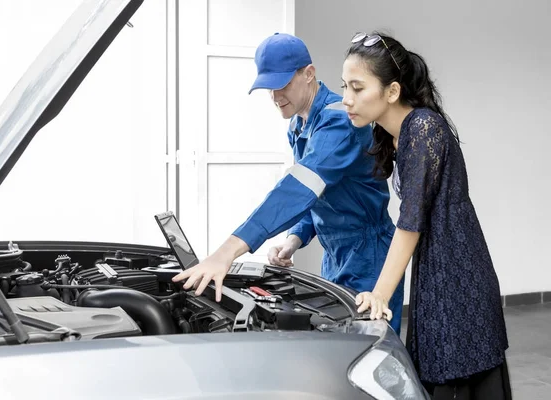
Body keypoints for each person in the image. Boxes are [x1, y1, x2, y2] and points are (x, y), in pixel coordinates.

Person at [173, 32, 405, 334]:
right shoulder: (299, 124)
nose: (275, 96)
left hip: (368, 253)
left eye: (282, 85)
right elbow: (321, 193)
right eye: (269, 88)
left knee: (371, 347)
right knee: (338, 346)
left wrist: (226, 253)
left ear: (309, 74)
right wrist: (294, 238)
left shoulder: (340, 121)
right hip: (334, 253)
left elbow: (298, 190)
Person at [341, 31, 511, 398]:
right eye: (344, 87)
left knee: (455, 371)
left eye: (357, 88)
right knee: (439, 367)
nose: (346, 99)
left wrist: (381, 294)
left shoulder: (422, 127)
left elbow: (410, 220)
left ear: (392, 91)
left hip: (457, 273)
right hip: (437, 268)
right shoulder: (394, 131)